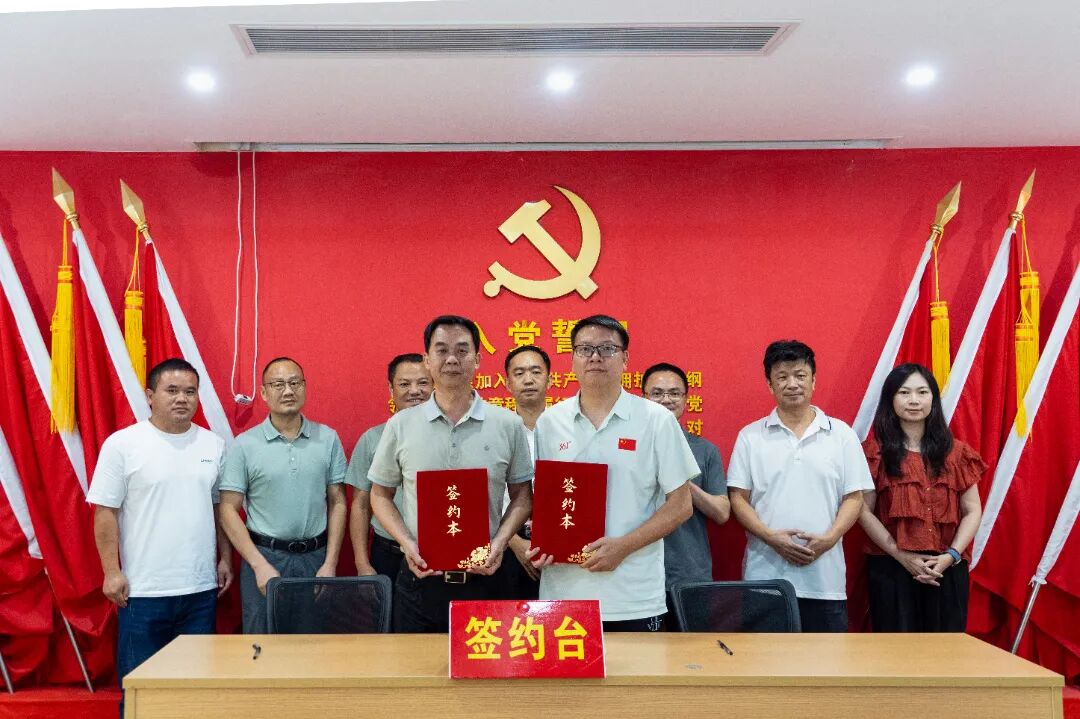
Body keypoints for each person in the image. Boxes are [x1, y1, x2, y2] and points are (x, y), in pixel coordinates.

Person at [529, 315, 697, 632]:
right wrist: (540, 542)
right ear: (572, 358)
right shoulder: (550, 422)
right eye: (585, 349)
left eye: (607, 348)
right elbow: (545, 501)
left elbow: (681, 505)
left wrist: (624, 546)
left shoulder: (656, 420)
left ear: (625, 358)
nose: (595, 357)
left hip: (633, 596)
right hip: (562, 596)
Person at [369, 315, 533, 632]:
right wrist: (406, 542)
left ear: (478, 359)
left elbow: (523, 496)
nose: (452, 359)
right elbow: (380, 495)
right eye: (442, 350)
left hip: (487, 580)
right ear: (427, 360)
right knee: (416, 664)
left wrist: (500, 542)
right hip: (420, 580)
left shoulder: (507, 424)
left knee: (486, 663)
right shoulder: (401, 424)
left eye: (462, 350)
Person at [87, 358, 232, 716]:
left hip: (200, 591)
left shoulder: (213, 445)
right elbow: (105, 512)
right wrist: (111, 572)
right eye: (172, 390)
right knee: (142, 693)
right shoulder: (123, 444)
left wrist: (225, 558)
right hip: (143, 592)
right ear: (150, 396)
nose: (182, 398)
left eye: (190, 391)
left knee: (195, 693)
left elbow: (220, 510)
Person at [727, 340, 873, 632]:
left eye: (800, 375)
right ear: (770, 384)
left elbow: (854, 497)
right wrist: (771, 537)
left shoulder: (841, 434)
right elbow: (738, 498)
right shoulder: (751, 436)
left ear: (813, 380)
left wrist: (829, 538)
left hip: (825, 582)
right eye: (782, 377)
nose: (792, 383)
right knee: (764, 659)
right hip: (765, 579)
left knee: (827, 660)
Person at [217, 357, 347, 633]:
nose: (288, 391)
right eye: (278, 384)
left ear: (304, 387)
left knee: (313, 643)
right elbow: (228, 509)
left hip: (315, 559)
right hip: (265, 557)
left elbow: (337, 501)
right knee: (262, 645)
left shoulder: (327, 438)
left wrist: (330, 562)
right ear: (263, 393)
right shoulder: (245, 445)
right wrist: (258, 564)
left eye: (294, 383)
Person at [860, 363, 984, 632]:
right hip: (891, 566)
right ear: (891, 399)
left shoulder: (957, 453)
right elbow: (863, 511)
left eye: (922, 392)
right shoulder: (874, 453)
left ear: (933, 399)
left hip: (946, 568)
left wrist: (951, 555)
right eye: (904, 393)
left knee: (946, 651)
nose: (914, 400)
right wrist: (901, 555)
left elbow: (973, 510)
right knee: (894, 650)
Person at [641, 363, 729, 605]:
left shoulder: (705, 450)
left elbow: (722, 512)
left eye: (674, 393)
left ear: (686, 399)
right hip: (636, 571)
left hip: (688, 574)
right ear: (643, 398)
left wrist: (679, 475)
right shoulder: (626, 447)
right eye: (657, 393)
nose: (666, 400)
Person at [346, 353, 433, 578]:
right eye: (404, 384)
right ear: (391, 389)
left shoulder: (450, 436)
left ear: (435, 385)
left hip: (439, 552)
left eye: (423, 382)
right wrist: (361, 562)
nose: (415, 391)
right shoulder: (372, 439)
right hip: (388, 553)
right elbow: (361, 504)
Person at [500, 344, 553, 600]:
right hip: (506, 544)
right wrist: (515, 542)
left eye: (536, 372)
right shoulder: (497, 431)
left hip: (558, 546)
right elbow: (483, 495)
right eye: (519, 373)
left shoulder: (567, 429)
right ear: (508, 383)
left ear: (550, 380)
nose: (528, 380)